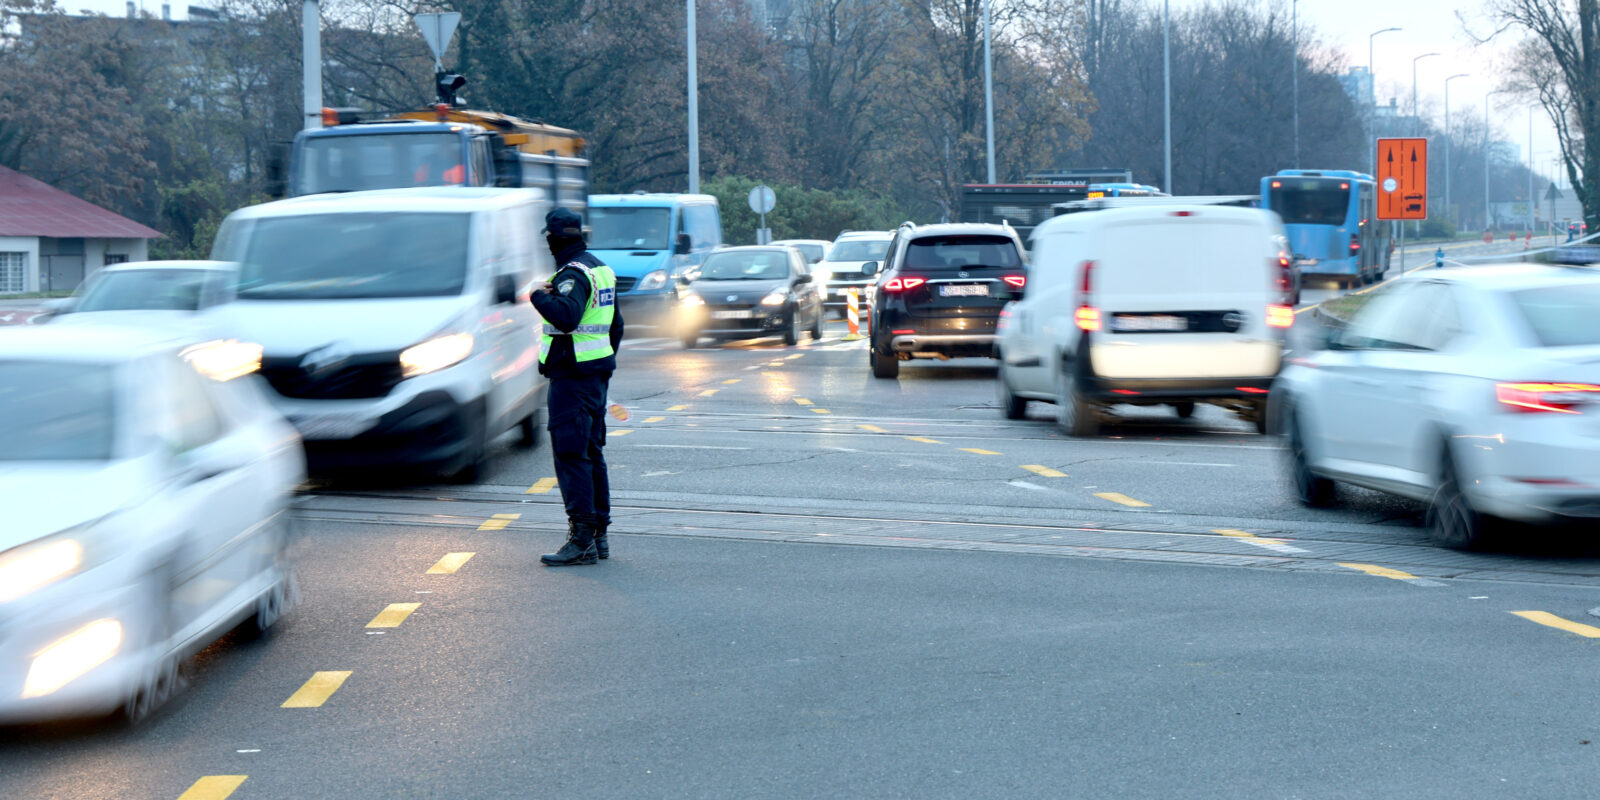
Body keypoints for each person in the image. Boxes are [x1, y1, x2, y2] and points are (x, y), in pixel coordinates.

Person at [531, 208, 624, 566]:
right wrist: (601, 365)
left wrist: (537, 296)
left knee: (572, 456)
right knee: (590, 453)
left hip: (572, 378)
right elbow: (616, 325)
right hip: (594, 377)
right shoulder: (601, 269)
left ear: (552, 239)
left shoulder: (573, 274)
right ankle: (599, 536)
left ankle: (582, 539)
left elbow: (567, 317)